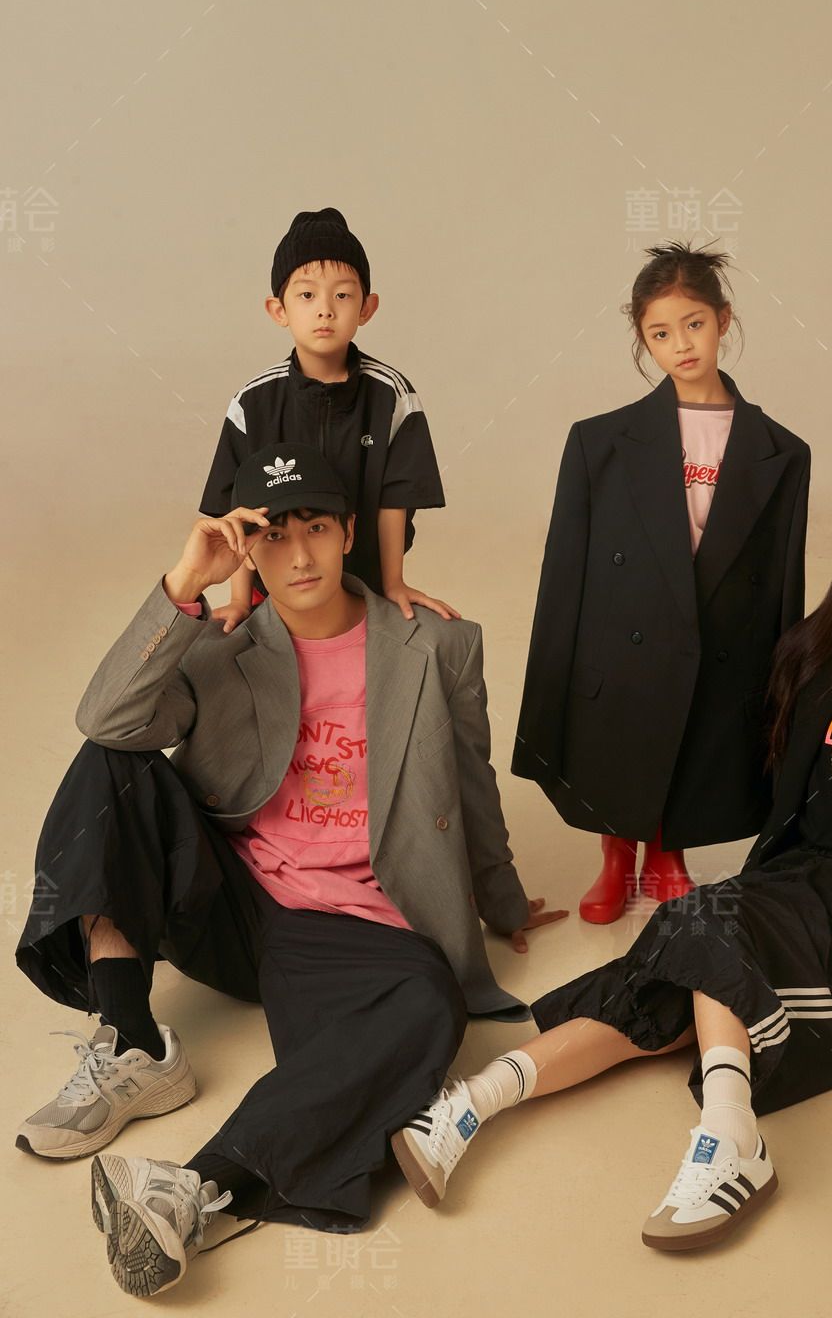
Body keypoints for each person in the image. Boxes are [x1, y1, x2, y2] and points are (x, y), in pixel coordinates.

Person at [392, 466, 832, 1251]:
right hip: (794, 884)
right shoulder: (831, 664)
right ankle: (473, 1104)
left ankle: (727, 1139)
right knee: (686, 954)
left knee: (703, 934)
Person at [15, 441, 565, 1297]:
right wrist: (185, 583)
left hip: (352, 928)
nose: (298, 555)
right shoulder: (218, 646)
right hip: (234, 899)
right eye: (272, 535)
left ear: (348, 532)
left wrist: (502, 899)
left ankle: (193, 1191)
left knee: (431, 1004)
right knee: (110, 760)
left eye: (315, 528)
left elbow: (472, 777)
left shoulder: (438, 646)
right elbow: (105, 717)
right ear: (248, 550)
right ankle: (131, 1041)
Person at [511, 241, 810, 921]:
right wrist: (551, 675)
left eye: (694, 324)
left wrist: (780, 685)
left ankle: (667, 856)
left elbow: (780, 582)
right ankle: (617, 858)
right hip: (622, 635)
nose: (682, 345)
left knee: (695, 735)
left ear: (723, 320)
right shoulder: (599, 443)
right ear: (643, 339)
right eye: (661, 333)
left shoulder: (783, 452)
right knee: (622, 735)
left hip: (718, 638)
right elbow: (563, 572)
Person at [199, 206, 454, 628]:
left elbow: (395, 501)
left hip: (365, 586)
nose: (325, 310)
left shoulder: (392, 396)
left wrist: (393, 582)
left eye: (342, 295)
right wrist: (240, 599)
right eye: (307, 295)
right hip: (280, 589)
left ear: (367, 308)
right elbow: (236, 508)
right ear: (278, 310)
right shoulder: (253, 402)